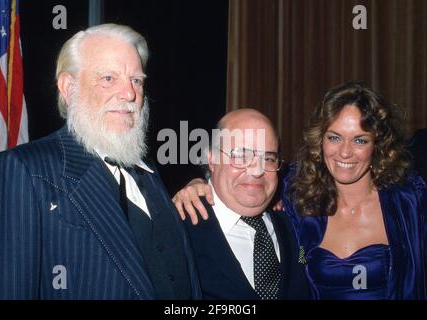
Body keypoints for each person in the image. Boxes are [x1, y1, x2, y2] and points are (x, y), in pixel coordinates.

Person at [0, 23, 201, 299]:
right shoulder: (25, 169)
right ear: (69, 88)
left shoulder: (149, 172)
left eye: (136, 80)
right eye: (108, 78)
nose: (129, 94)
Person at [173, 82, 427, 299]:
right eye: (334, 137)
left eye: (360, 140)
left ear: (377, 145)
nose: (345, 152)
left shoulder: (410, 202)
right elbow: (241, 184)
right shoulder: (297, 196)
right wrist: (199, 184)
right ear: (321, 140)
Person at [178, 108, 311, 300]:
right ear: (212, 159)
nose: (257, 171)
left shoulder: (294, 223)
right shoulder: (179, 230)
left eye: (268, 158)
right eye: (241, 156)